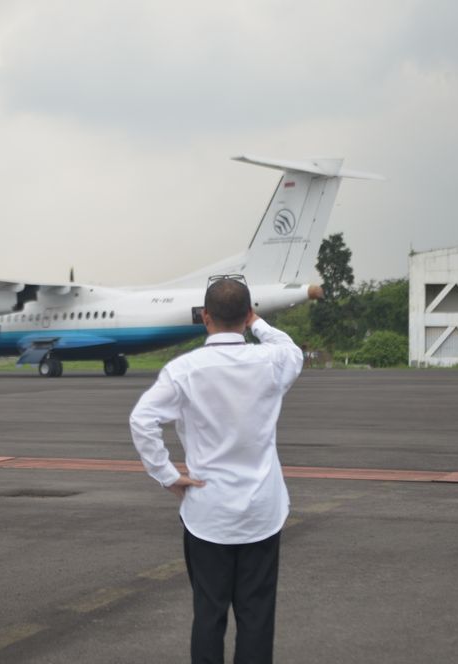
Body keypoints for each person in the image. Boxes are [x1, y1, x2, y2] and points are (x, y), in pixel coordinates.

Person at [129, 277, 304, 664]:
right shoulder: (272, 361)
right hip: (262, 509)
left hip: (207, 510)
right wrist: (257, 323)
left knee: (208, 614)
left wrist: (167, 474)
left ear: (205, 317)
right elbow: (288, 347)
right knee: (256, 615)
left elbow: (142, 420)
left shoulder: (185, 369)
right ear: (246, 315)